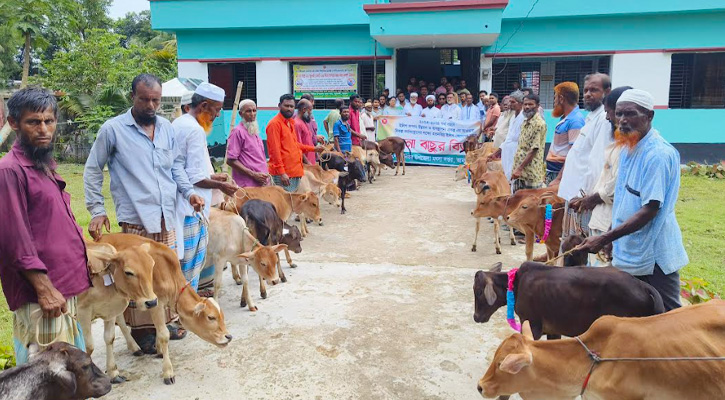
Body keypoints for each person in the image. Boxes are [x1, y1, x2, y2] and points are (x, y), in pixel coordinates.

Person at [85, 74, 204, 352]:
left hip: (167, 215)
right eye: (145, 99)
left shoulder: (166, 128)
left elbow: (175, 168)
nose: (151, 106)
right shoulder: (112, 130)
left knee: (165, 272)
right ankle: (142, 332)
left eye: (156, 100)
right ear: (133, 97)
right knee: (136, 275)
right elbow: (93, 169)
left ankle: (166, 321)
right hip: (135, 218)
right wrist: (97, 210)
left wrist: (190, 193)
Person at [0, 87, 90, 364]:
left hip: (62, 286)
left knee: (70, 369)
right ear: (13, 123)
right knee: (49, 374)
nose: (43, 129)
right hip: (42, 295)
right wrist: (44, 288)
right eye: (33, 122)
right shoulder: (10, 170)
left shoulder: (41, 164)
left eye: (49, 121)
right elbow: (15, 239)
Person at [579, 89, 689, 311]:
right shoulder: (629, 147)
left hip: (654, 254)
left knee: (669, 317)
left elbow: (650, 210)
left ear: (649, 116)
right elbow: (624, 198)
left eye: (630, 114)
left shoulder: (657, 154)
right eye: (619, 114)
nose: (622, 120)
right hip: (629, 247)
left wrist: (604, 237)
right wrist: (612, 238)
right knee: (631, 311)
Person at [172, 83, 238, 292]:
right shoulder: (193, 130)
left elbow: (185, 168)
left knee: (187, 265)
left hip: (186, 204)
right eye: (217, 110)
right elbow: (193, 177)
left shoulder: (181, 124)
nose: (217, 115)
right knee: (190, 267)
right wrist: (222, 186)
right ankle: (185, 310)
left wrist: (212, 176)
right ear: (204, 105)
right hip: (190, 208)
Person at [570, 86, 632, 266]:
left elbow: (617, 185)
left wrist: (592, 199)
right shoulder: (618, 144)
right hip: (601, 220)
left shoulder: (632, 149)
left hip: (611, 225)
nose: (607, 118)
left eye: (610, 113)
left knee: (602, 276)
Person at [556, 73, 613, 240]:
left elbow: (597, 163)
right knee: (570, 241)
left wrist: (586, 197)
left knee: (579, 245)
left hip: (583, 198)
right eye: (586, 90)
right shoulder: (590, 118)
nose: (588, 94)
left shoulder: (603, 119)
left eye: (594, 90)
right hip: (573, 195)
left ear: (606, 92)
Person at [266, 94, 324, 192]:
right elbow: (274, 151)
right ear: (279, 106)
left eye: (291, 106)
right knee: (285, 205)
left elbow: (295, 145)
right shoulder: (274, 124)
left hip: (294, 172)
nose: (289, 109)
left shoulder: (290, 123)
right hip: (284, 174)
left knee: (292, 204)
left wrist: (314, 149)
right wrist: (282, 173)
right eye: (286, 106)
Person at [545, 81, 585, 184]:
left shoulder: (575, 121)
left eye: (555, 98)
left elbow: (573, 154)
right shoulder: (566, 117)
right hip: (554, 171)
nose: (554, 102)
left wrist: (558, 179)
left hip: (561, 175)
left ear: (561, 99)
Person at [226, 99, 270, 188]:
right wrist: (254, 175)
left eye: (254, 110)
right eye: (248, 111)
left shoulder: (254, 131)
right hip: (247, 185)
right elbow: (230, 160)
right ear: (241, 114)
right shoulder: (237, 132)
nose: (252, 114)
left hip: (262, 183)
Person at [510, 93, 547, 191]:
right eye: (525, 104)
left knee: (530, 204)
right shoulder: (525, 123)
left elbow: (534, 150)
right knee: (516, 203)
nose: (527, 107)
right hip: (520, 174)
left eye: (530, 104)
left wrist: (519, 168)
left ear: (537, 106)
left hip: (531, 174)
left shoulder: (539, 124)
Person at [488, 90, 525, 180]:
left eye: (513, 102)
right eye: (510, 102)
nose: (510, 104)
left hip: (517, 151)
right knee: (508, 176)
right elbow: (508, 138)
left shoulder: (524, 117)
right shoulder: (513, 117)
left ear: (520, 103)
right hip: (507, 151)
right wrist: (496, 153)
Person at [294, 98, 316, 164]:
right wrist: (307, 162)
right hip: (305, 165)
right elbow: (298, 146)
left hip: (310, 162)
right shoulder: (297, 124)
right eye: (310, 110)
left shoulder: (305, 122)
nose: (311, 113)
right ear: (304, 110)